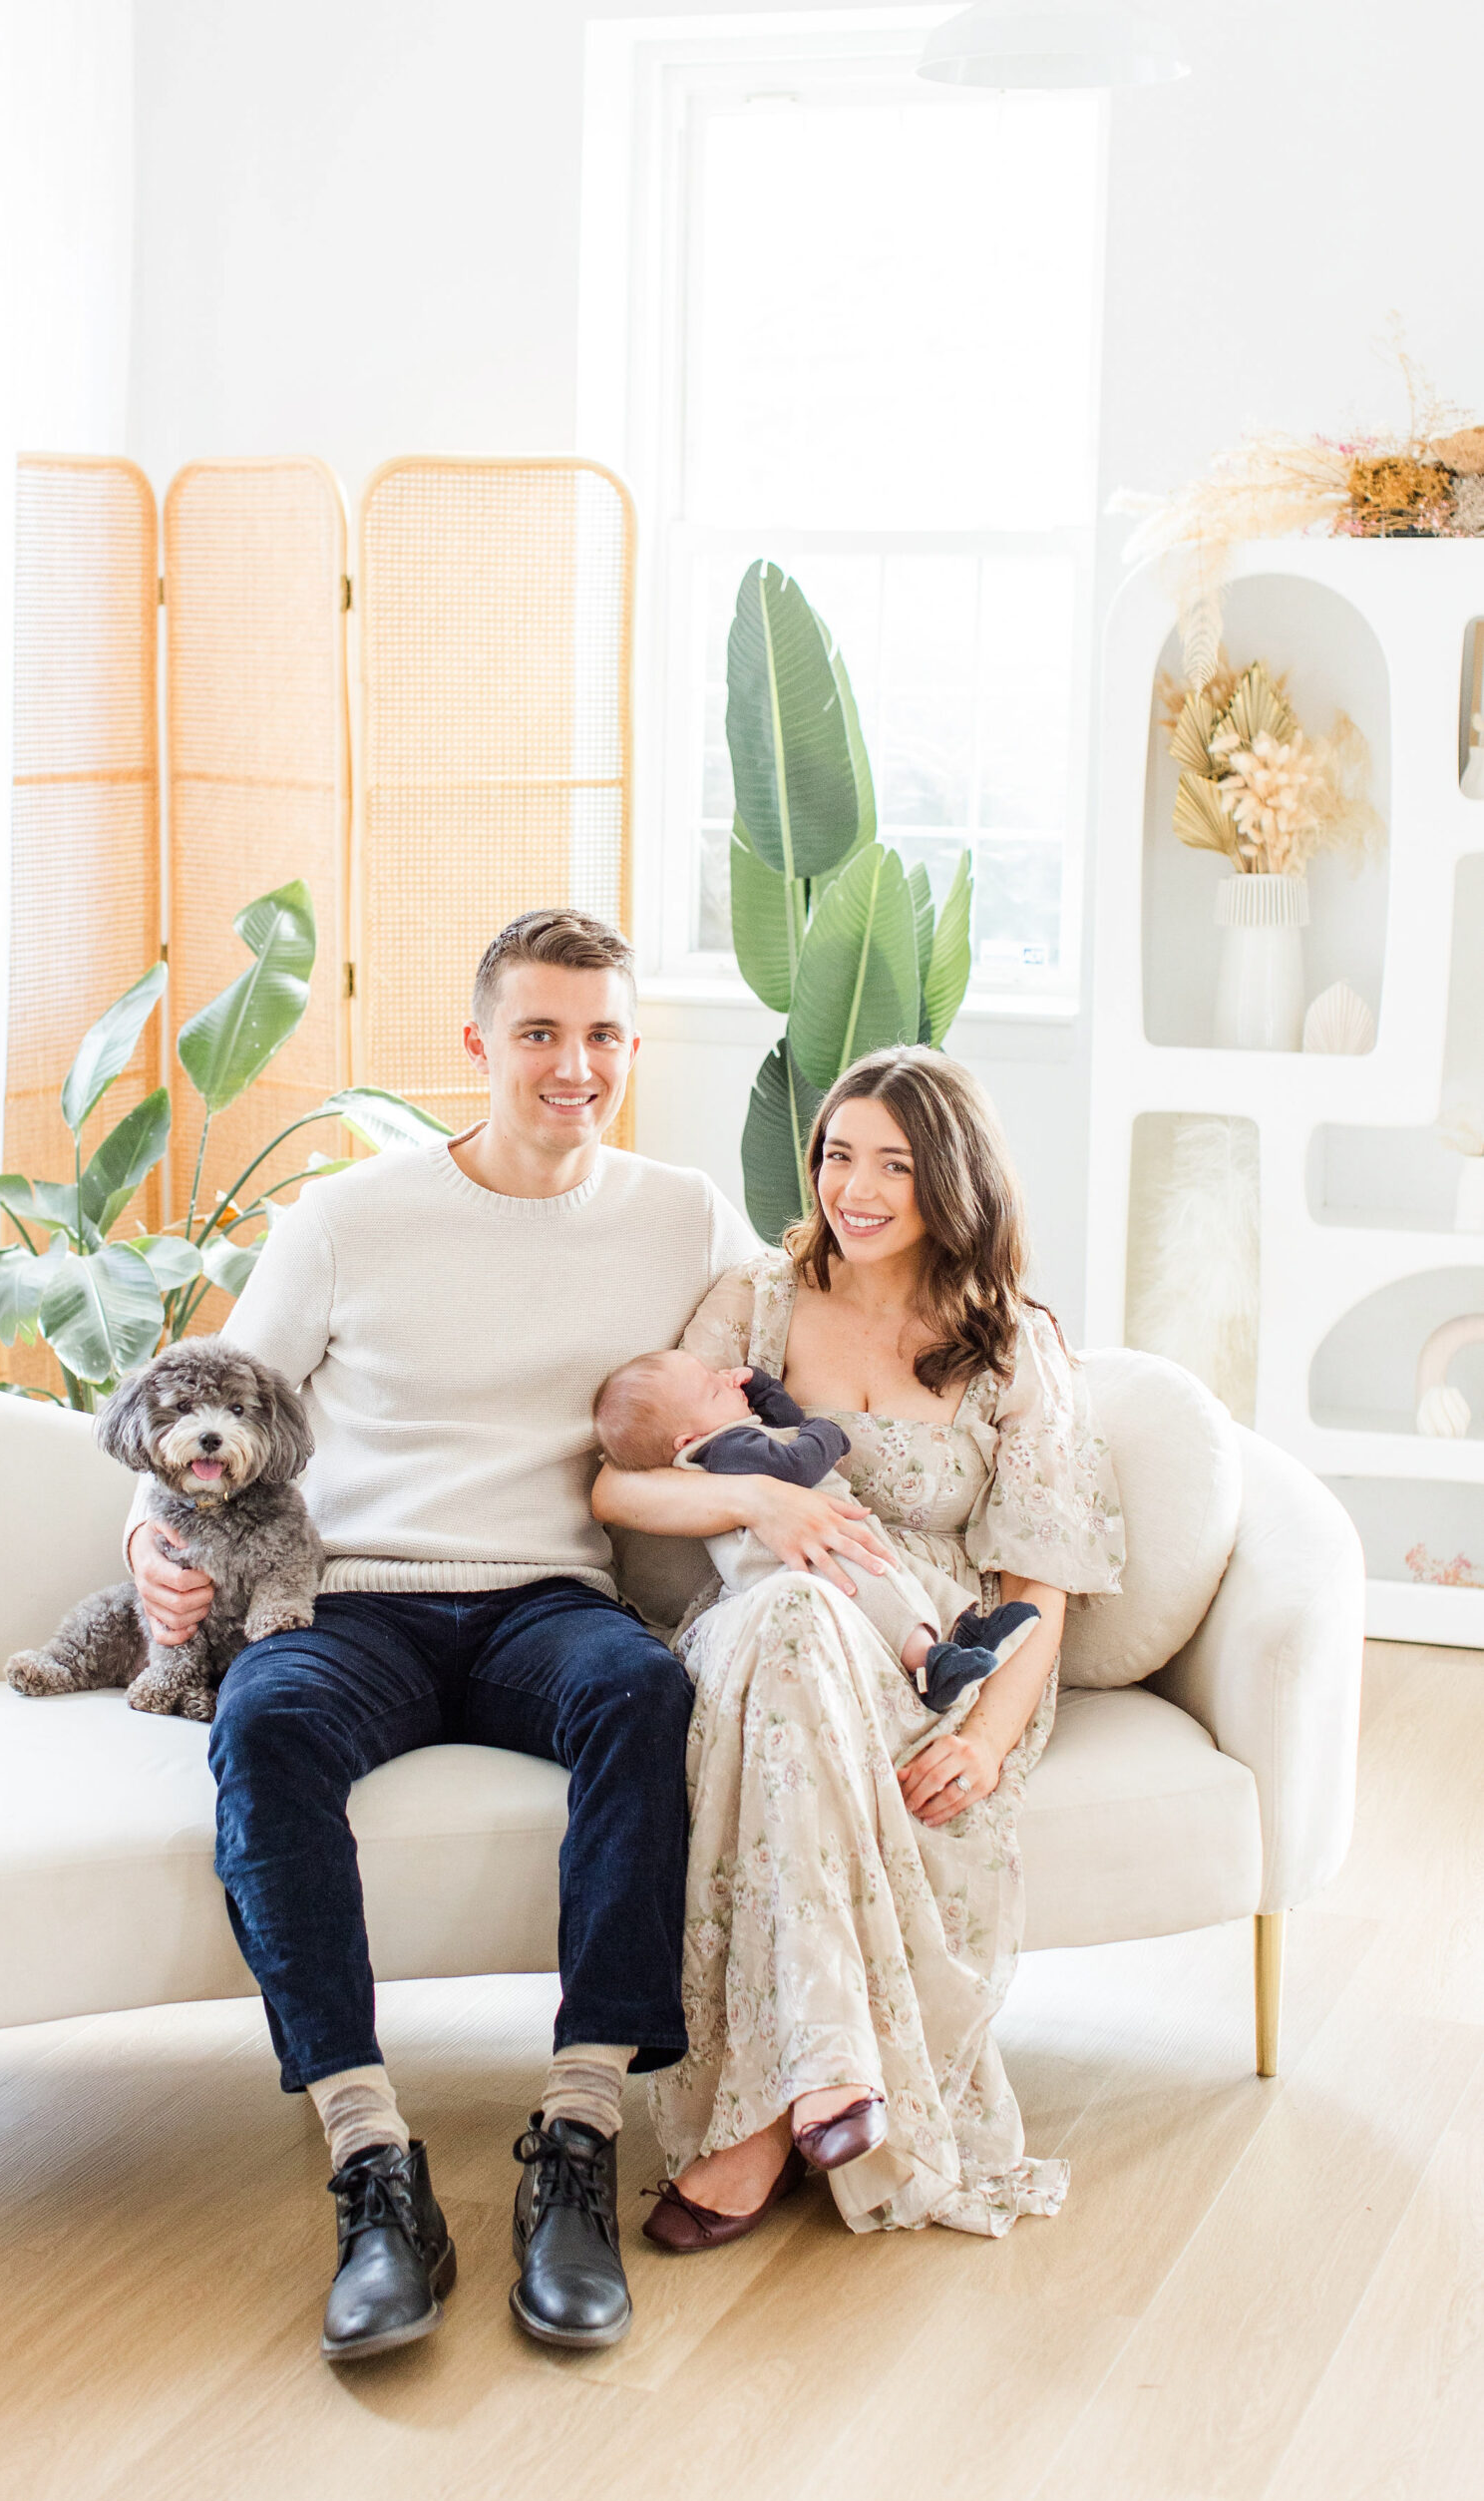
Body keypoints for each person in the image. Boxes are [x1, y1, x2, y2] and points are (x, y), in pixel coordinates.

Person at [126, 908, 762, 2360]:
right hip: (354, 1597)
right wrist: (144, 1547)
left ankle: (576, 2139)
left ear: (629, 1049)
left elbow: (796, 1330)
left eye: (602, 1034)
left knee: (641, 1698)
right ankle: (370, 2167)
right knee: (264, 1722)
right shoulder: (351, 1220)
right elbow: (200, 1402)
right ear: (474, 1046)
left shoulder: (677, 1217)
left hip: (547, 1602)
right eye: (539, 1032)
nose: (572, 1066)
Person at [592, 1045, 1125, 2252]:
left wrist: (986, 1742)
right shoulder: (757, 1301)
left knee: (817, 1638)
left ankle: (771, 2118)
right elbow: (623, 1486)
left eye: (894, 1161)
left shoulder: (1009, 1343)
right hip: (761, 1616)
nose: (857, 1186)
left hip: (928, 1663)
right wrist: (761, 1506)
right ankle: (821, 2079)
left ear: (952, 1177)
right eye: (838, 1154)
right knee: (791, 1618)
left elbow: (1040, 1581)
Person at [590, 1346, 1041, 1713]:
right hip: (801, 1563)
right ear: (685, 1441)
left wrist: (760, 1388)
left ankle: (964, 1630)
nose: (727, 1378)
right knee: (873, 1585)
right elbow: (797, 1462)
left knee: (903, 1569)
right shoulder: (725, 1450)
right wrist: (828, 1431)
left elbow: (784, 1424)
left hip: (831, 1536)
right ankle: (930, 1665)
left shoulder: (733, 1432)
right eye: (713, 1389)